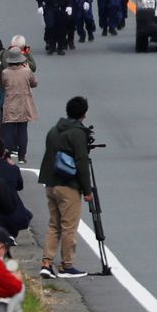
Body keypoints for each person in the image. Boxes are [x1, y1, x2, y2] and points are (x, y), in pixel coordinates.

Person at [38, 96, 93, 279]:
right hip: (68, 185)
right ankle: (67, 265)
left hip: (50, 183)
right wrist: (87, 190)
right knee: (69, 226)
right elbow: (82, 162)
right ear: (83, 114)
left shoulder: (54, 130)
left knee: (54, 224)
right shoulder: (77, 133)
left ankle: (46, 263)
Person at [0, 137, 34, 243]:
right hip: (14, 213)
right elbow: (19, 186)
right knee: (27, 213)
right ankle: (10, 235)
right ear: (4, 152)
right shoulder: (13, 169)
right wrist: (13, 165)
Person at [0, 47, 38, 163]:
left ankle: (8, 155)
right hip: (23, 103)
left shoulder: (5, 73)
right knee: (22, 130)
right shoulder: (26, 71)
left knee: (8, 130)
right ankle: (22, 156)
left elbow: (3, 84)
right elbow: (34, 83)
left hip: (10, 103)